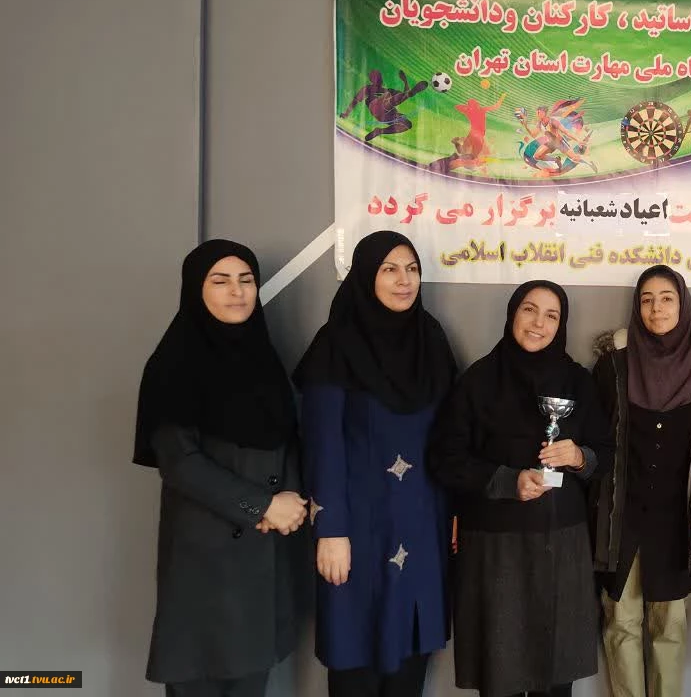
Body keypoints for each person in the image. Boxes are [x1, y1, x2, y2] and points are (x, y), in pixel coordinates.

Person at [134, 239, 307, 697]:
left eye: (246, 280)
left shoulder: (265, 359)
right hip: (206, 557)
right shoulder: (172, 365)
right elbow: (180, 463)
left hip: (265, 550)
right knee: (200, 678)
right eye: (221, 280)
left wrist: (289, 501)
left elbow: (289, 435)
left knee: (251, 678)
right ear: (196, 289)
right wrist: (263, 506)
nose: (237, 291)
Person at [430, 280, 614, 697]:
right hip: (496, 551)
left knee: (555, 680)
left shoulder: (577, 382)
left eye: (552, 316)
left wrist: (579, 456)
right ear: (513, 313)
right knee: (502, 676)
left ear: (561, 325)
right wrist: (507, 480)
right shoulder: (478, 380)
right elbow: (445, 458)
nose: (538, 323)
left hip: (561, 546)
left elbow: (606, 454)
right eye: (530, 310)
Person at [293, 230, 457, 697]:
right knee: (356, 662)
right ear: (366, 276)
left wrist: (457, 512)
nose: (404, 280)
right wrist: (329, 531)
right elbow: (322, 445)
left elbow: (451, 438)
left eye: (412, 269)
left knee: (409, 665)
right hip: (357, 532)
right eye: (389, 269)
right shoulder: (336, 344)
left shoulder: (431, 340)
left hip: (423, 529)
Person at [590, 266, 691, 697]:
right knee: (620, 623)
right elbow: (598, 441)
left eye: (667, 298)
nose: (656, 309)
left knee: (669, 627)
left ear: (683, 304)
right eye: (647, 299)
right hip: (621, 518)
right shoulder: (613, 366)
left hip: (677, 521)